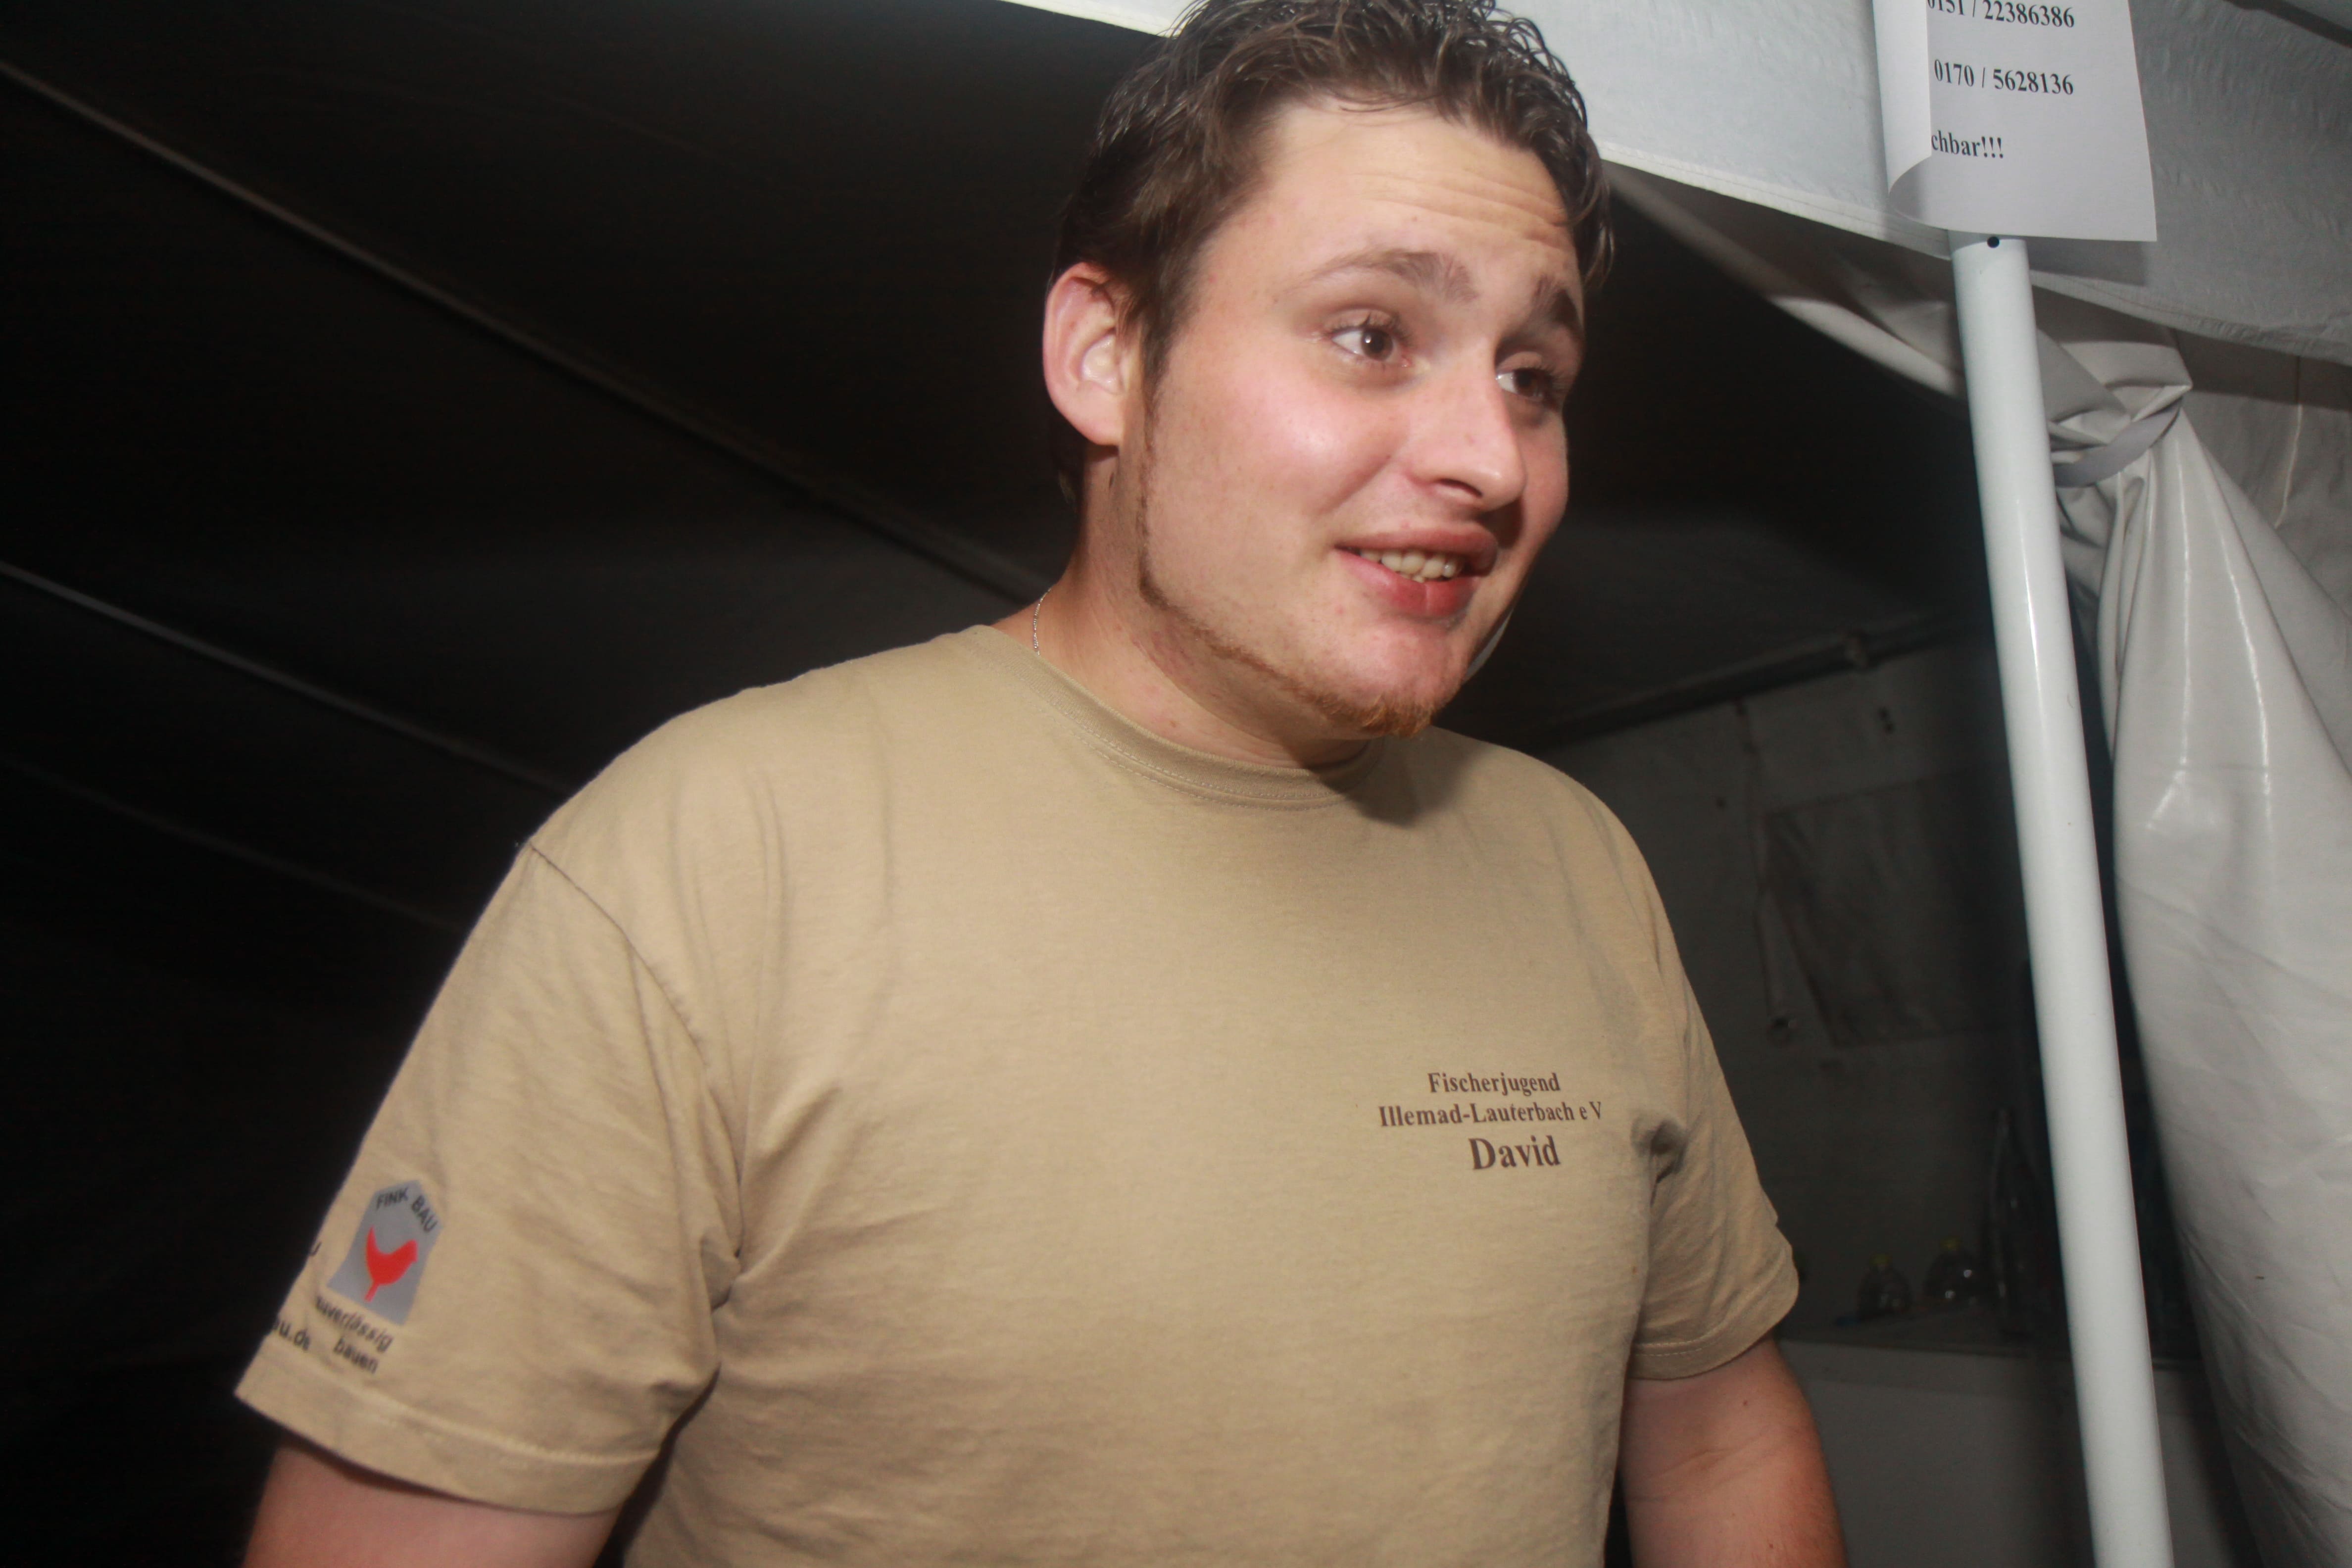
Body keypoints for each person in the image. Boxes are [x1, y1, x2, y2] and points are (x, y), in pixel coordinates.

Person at [239, 1, 1845, 1563]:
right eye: (1373, 337)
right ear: (1105, 354)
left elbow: (1719, 1440)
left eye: (1531, 376)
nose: (1490, 459)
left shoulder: (1576, 863)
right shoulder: (710, 861)